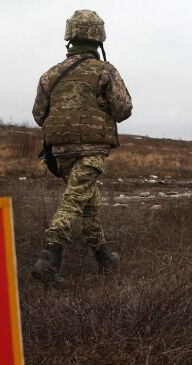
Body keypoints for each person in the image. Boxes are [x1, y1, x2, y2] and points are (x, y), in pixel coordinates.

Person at [31, 9, 133, 285]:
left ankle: (103, 257)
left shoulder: (50, 74)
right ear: (99, 38)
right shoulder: (105, 71)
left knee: (88, 202)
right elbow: (123, 109)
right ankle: (48, 259)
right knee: (75, 200)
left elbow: (39, 114)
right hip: (91, 149)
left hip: (60, 151)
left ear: (70, 36)